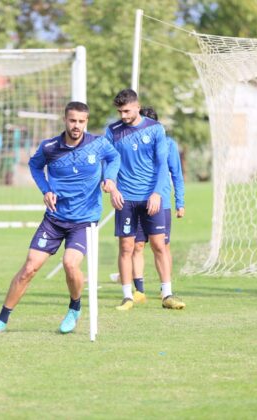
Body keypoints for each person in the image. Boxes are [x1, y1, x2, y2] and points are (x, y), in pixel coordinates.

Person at [0, 102, 121, 336]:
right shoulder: (49, 147)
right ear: (65, 120)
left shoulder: (98, 144)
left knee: (70, 263)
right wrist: (46, 189)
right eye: (73, 120)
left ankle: (74, 308)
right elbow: (35, 166)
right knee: (29, 268)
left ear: (86, 122)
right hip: (54, 219)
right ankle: (1, 320)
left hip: (84, 219)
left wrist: (110, 179)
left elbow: (114, 157)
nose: (76, 126)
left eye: (81, 121)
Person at [105, 89, 185, 310]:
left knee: (160, 245)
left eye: (127, 111)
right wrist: (111, 185)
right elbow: (109, 160)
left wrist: (157, 193)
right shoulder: (112, 131)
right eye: (120, 112)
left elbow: (162, 165)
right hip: (125, 198)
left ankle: (167, 294)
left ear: (137, 107)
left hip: (151, 197)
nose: (123, 116)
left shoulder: (156, 129)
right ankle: (128, 296)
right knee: (127, 247)